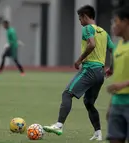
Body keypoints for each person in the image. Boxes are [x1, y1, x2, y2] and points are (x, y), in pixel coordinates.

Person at [43, 5, 115, 141]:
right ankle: (98, 133)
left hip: (89, 69)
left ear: (85, 16)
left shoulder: (87, 29)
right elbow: (114, 51)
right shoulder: (104, 32)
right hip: (100, 73)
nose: (79, 21)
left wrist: (79, 60)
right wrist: (111, 68)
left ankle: (59, 125)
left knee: (67, 94)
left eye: (80, 18)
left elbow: (92, 44)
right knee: (89, 102)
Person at [106, 5, 129, 143]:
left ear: (126, 21)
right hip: (117, 104)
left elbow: (120, 82)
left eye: (116, 21)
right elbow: (118, 77)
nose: (113, 26)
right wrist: (110, 106)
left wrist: (123, 84)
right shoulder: (118, 47)